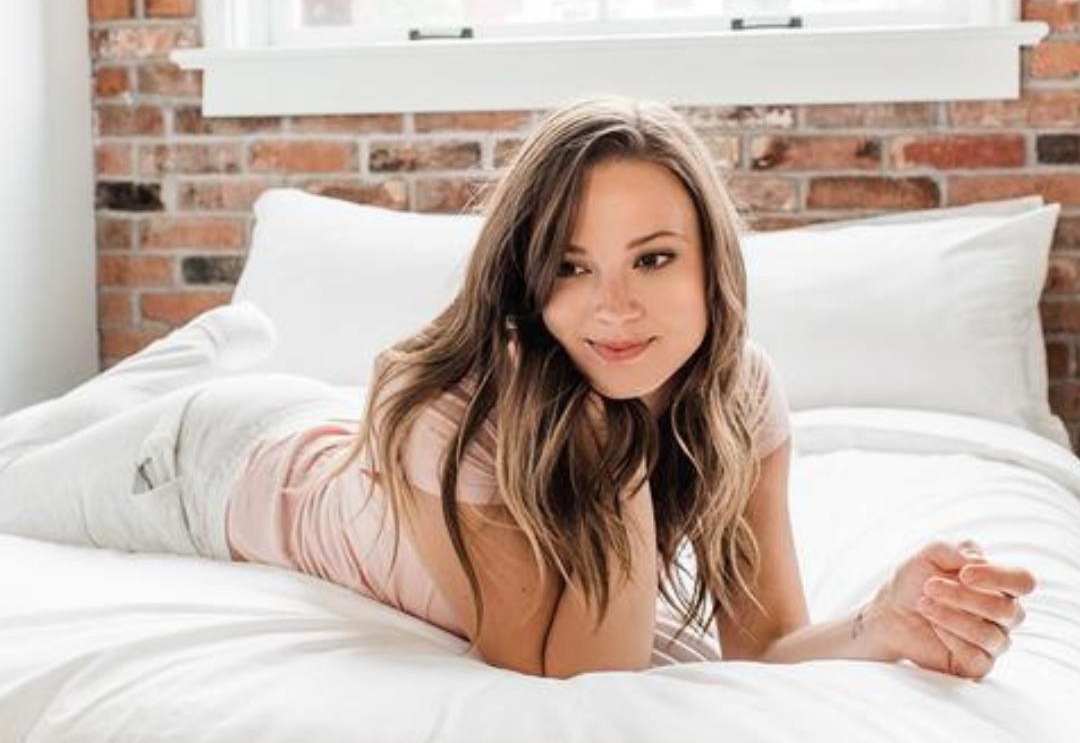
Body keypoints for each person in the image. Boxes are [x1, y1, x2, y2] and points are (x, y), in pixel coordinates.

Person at [0, 95, 1034, 680]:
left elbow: (762, 639)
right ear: (527, 281)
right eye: (571, 268)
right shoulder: (457, 411)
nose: (614, 311)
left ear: (715, 263)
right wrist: (619, 454)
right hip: (202, 466)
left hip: (311, 435)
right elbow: (582, 676)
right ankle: (184, 369)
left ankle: (209, 345)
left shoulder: (739, 394)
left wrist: (878, 624)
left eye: (655, 260)